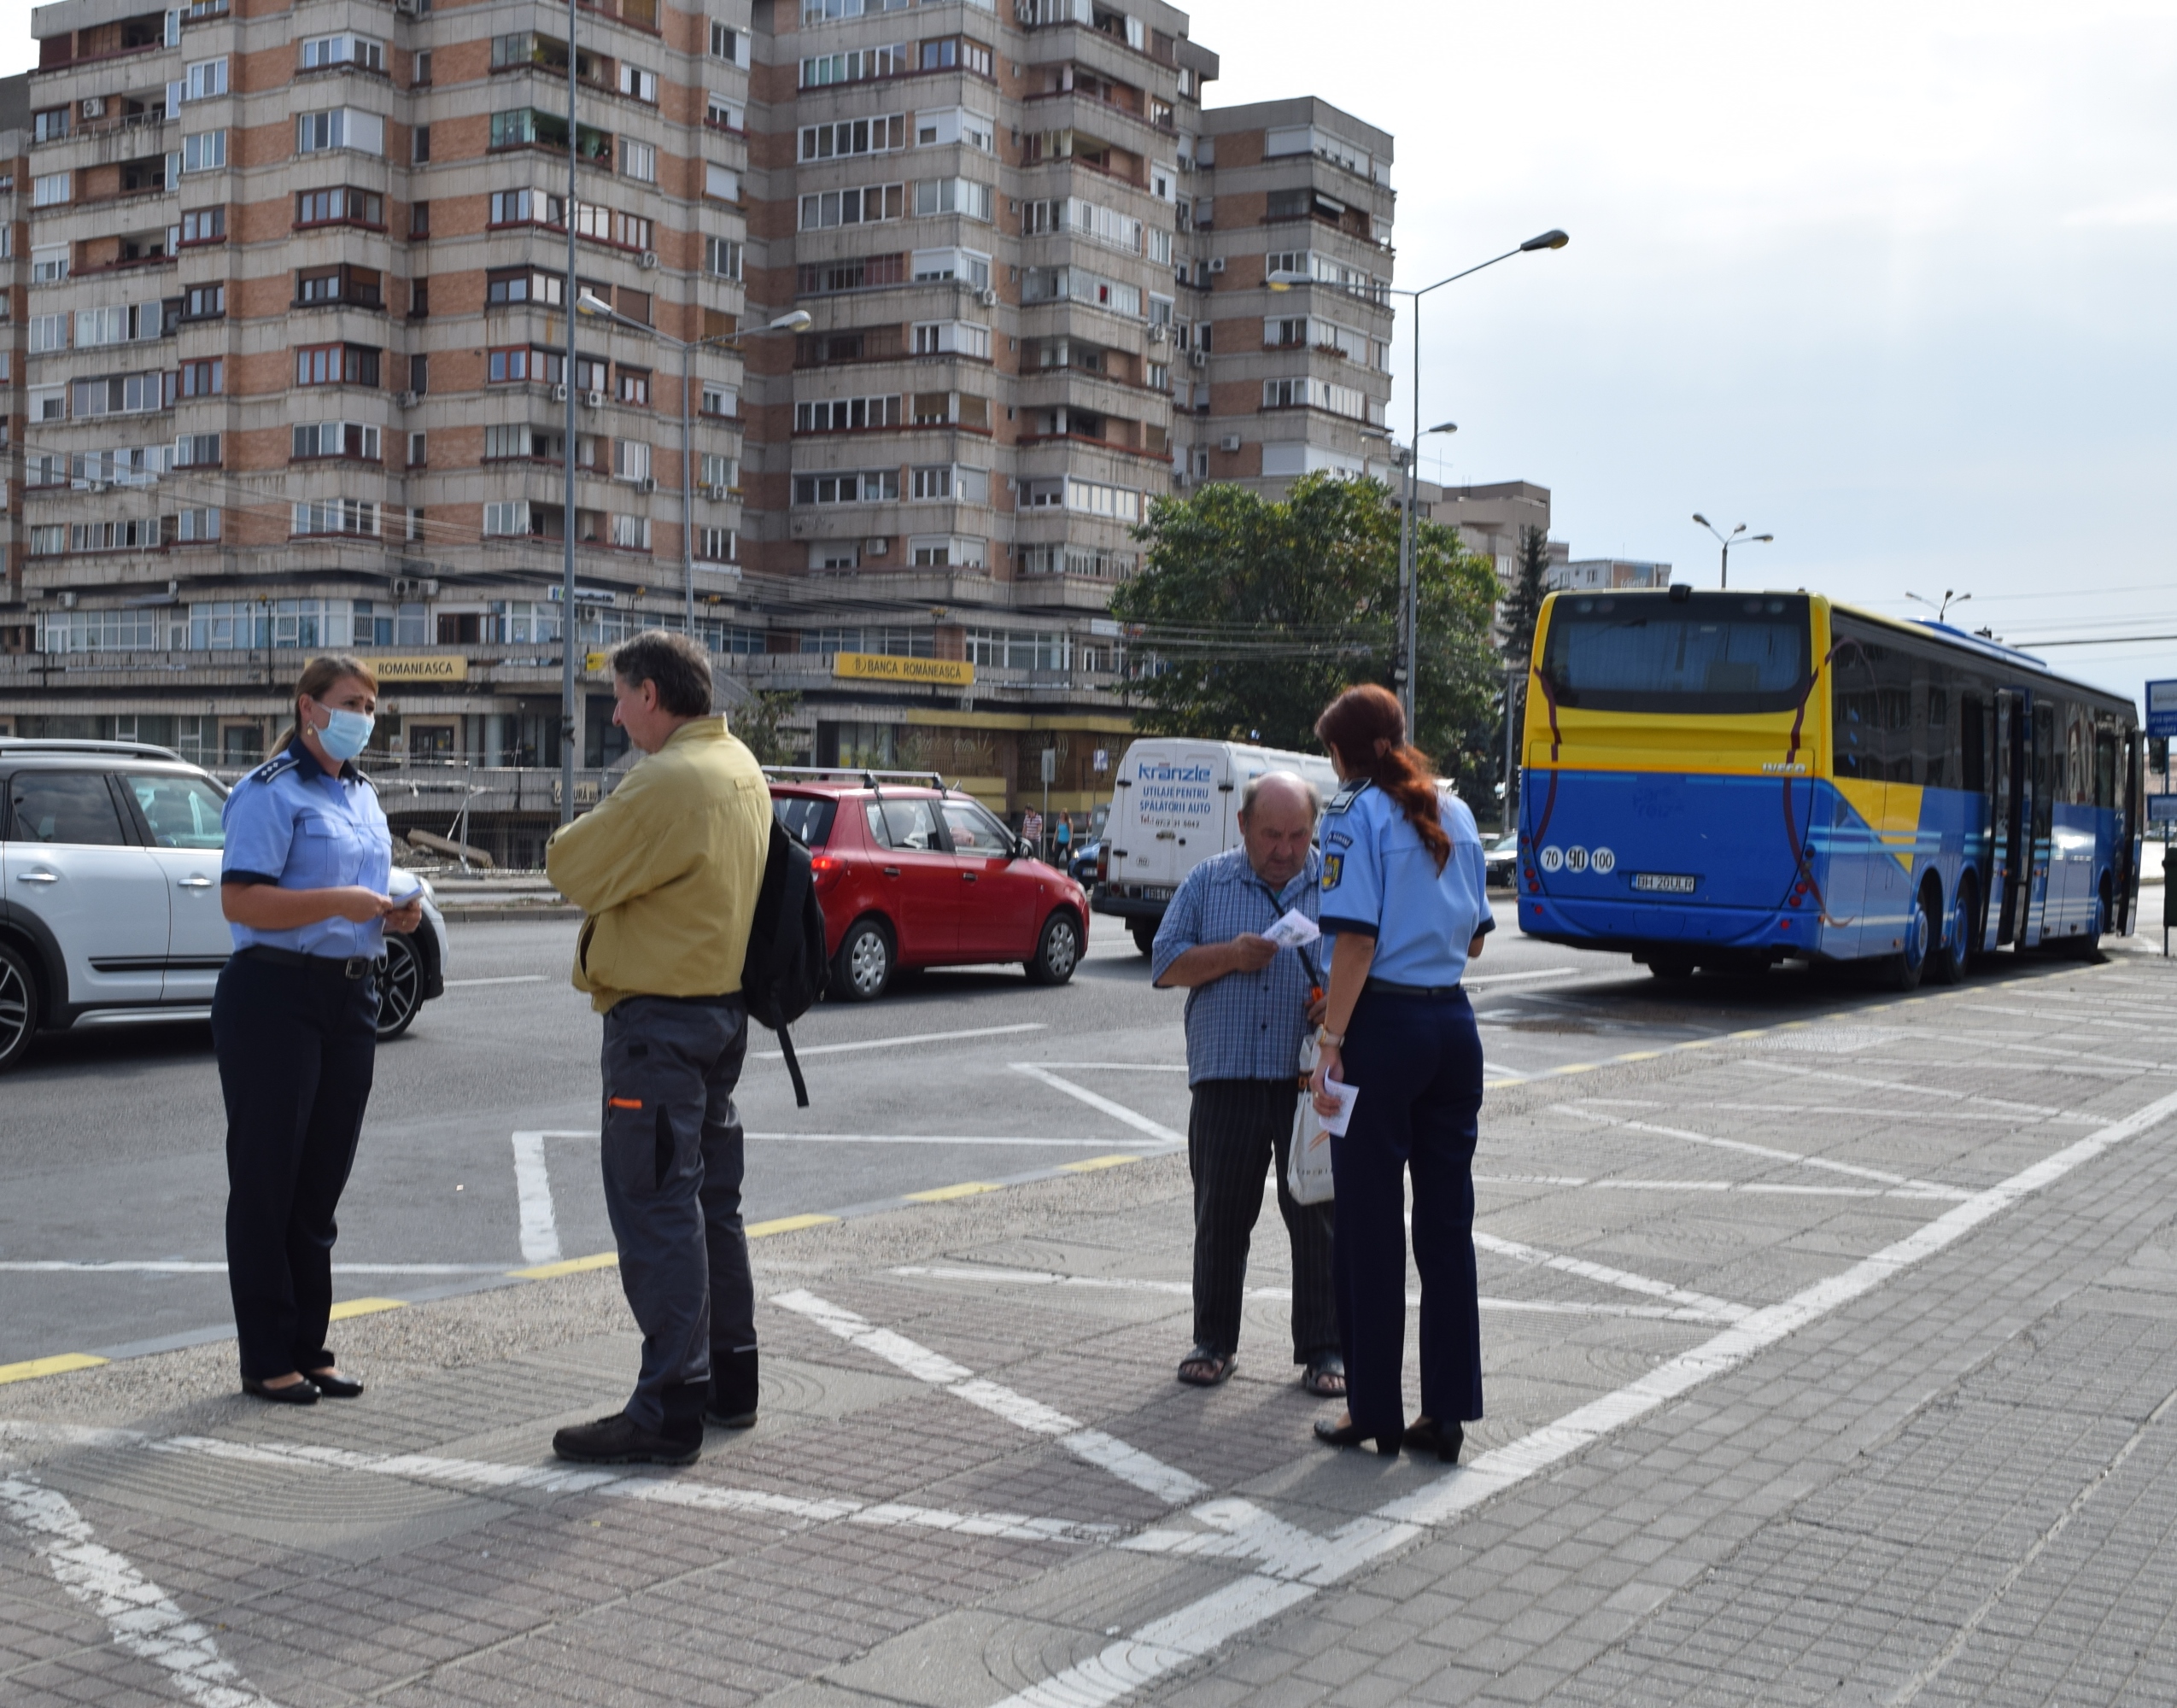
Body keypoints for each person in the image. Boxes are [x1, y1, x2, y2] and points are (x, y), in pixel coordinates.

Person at [545, 631, 772, 1466]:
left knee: (655, 1210)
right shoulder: (739, 764)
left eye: (617, 695)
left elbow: (568, 865)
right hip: (717, 1013)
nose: (612, 711)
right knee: (712, 1202)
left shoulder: (668, 778)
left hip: (657, 1026)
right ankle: (730, 1377)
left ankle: (667, 1405)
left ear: (651, 694)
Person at [216, 656, 423, 1405]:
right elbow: (240, 902)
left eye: (370, 704)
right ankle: (265, 1356)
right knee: (268, 1181)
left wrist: (398, 911)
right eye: (349, 702)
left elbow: (371, 892)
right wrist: (338, 900)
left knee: (319, 1185)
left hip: (350, 999)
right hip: (275, 995)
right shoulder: (269, 790)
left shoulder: (362, 794)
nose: (363, 715)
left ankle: (310, 1345)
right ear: (309, 707)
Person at [1307, 684, 1492, 1461]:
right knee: (1447, 1229)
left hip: (1380, 1029)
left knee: (1370, 1229)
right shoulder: (1457, 814)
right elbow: (1477, 941)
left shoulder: (1353, 816)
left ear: (1347, 752)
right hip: (1452, 1026)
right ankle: (1444, 1414)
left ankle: (1372, 1411)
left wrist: (1329, 1041)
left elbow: (1352, 945)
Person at [1151, 772, 1343, 1397]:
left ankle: (1323, 1351)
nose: (1285, 850)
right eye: (1270, 835)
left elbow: (1367, 965)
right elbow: (1166, 964)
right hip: (1225, 1076)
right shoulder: (1209, 881)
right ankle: (1213, 1342)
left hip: (1305, 1083)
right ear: (1242, 827)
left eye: (1297, 835)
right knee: (1220, 1216)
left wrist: (1337, 1007)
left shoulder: (1335, 885)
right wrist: (1230, 955)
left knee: (1315, 1215)